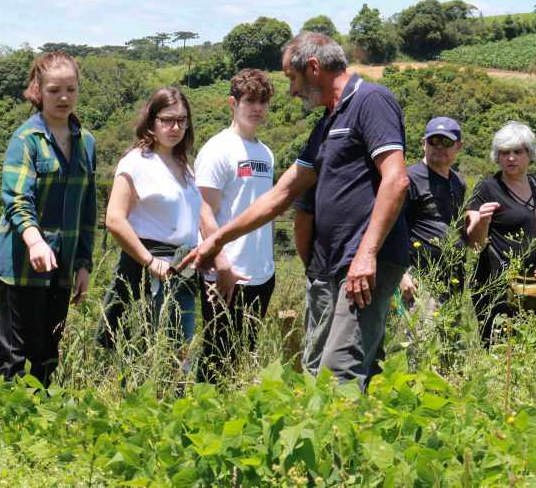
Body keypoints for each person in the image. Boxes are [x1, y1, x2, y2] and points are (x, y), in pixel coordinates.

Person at [181, 31, 409, 391]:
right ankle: (368, 441)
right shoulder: (327, 122)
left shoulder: (371, 100)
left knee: (339, 375)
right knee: (332, 370)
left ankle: (336, 444)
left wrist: (365, 255)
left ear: (314, 68)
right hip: (337, 264)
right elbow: (281, 195)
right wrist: (215, 241)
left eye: (291, 79)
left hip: (367, 261)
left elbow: (396, 180)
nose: (289, 91)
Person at [0, 52, 96, 388]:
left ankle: (40, 432)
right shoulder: (25, 140)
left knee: (48, 357)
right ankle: (6, 435)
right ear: (37, 90)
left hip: (62, 269)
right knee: (17, 361)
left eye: (70, 89)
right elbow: (17, 198)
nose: (63, 97)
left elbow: (87, 212)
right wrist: (34, 239)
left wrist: (83, 263)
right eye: (54, 90)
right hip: (22, 268)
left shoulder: (86, 143)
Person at [99, 87, 202, 370]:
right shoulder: (136, 161)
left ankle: (178, 411)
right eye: (167, 119)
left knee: (182, 357)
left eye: (182, 120)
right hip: (152, 272)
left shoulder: (184, 164)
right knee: (151, 358)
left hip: (185, 271)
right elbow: (115, 219)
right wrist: (149, 261)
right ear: (151, 120)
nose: (175, 127)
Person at [194, 69, 276, 383]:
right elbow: (203, 211)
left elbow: (265, 211)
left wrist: (269, 264)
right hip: (226, 273)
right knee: (216, 360)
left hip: (261, 273)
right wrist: (222, 263)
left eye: (263, 102)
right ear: (233, 102)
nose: (257, 108)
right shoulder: (218, 149)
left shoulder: (266, 153)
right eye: (250, 101)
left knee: (244, 361)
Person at [466, 121, 536, 344]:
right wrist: (483, 222)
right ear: (497, 156)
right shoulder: (487, 189)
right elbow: (473, 245)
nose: (510, 158)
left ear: (529, 154)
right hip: (497, 290)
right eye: (504, 152)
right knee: (499, 354)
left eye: (517, 152)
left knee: (532, 352)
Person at [400, 117, 467, 334]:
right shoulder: (407, 178)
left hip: (453, 282)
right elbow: (389, 228)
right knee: (424, 348)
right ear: (423, 143)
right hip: (420, 281)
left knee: (450, 350)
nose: (439, 145)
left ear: (459, 147)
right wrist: (401, 275)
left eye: (446, 141)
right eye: (433, 140)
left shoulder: (459, 182)